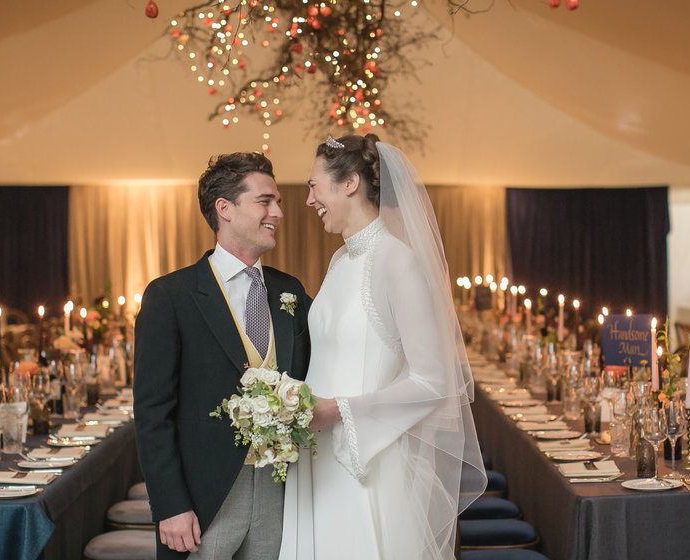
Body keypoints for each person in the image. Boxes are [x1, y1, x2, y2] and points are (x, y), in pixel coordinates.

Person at [279, 134, 487, 559]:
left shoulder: (398, 262)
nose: (308, 200)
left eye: (314, 186)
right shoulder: (340, 261)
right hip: (315, 456)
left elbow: (434, 381)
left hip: (366, 461)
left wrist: (337, 410)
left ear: (350, 183)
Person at [134, 152, 312, 559]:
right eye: (265, 201)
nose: (279, 213)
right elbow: (151, 411)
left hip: (281, 489)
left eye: (278, 202)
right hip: (204, 498)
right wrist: (171, 505)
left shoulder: (291, 291)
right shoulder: (171, 296)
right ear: (224, 209)